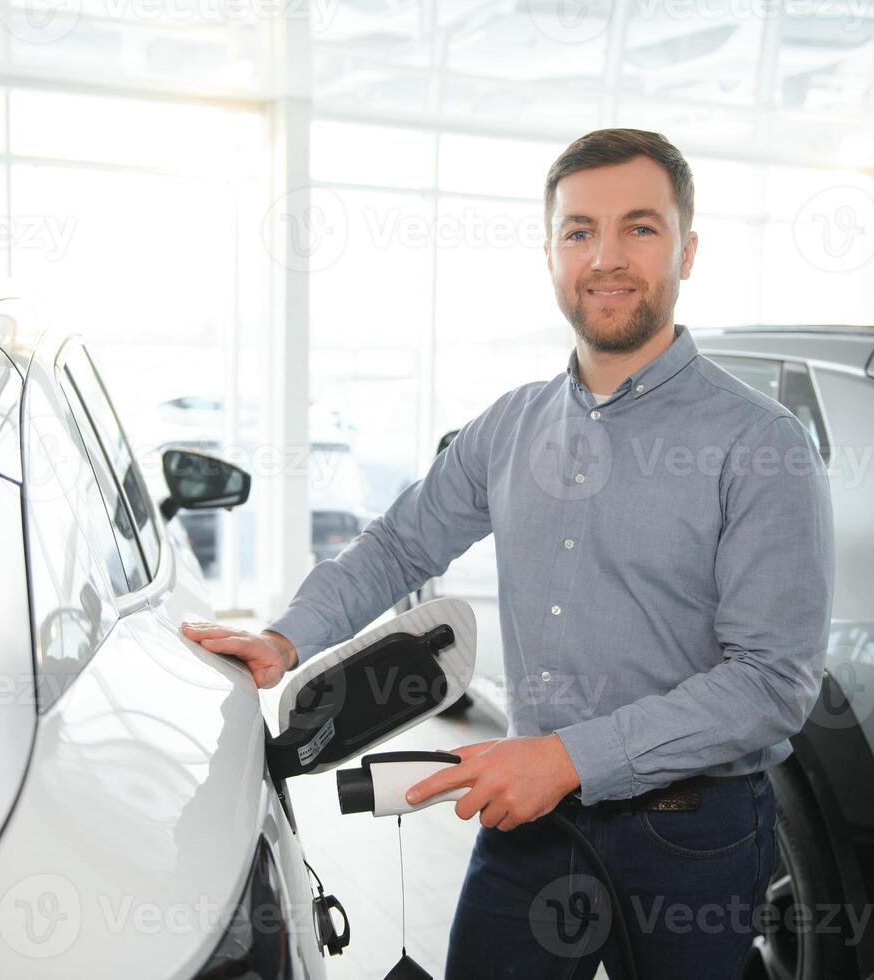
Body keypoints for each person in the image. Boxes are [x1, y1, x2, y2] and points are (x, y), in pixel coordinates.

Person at [181, 127, 834, 979]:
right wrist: (285, 637)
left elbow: (771, 683)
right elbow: (397, 547)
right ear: (551, 252)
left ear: (688, 250)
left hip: (690, 833)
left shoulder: (760, 444)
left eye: (639, 227)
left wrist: (569, 758)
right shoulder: (508, 425)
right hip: (532, 815)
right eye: (578, 231)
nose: (605, 256)